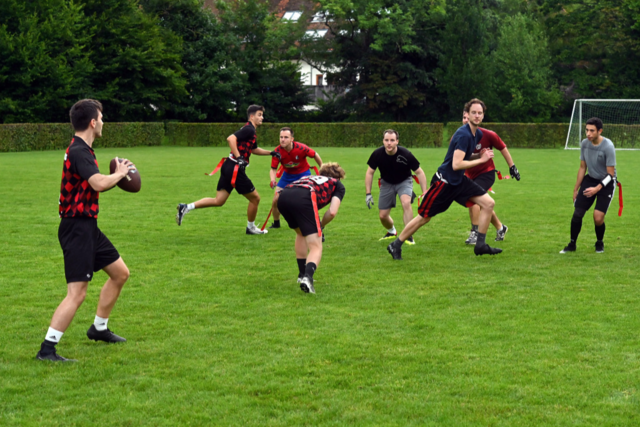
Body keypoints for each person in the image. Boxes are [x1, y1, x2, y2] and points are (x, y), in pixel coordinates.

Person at [37, 99, 133, 362]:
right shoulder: (79, 151)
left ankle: (99, 329)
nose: (103, 122)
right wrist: (121, 173)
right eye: (101, 118)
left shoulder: (83, 149)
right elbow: (98, 183)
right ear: (92, 122)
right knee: (77, 293)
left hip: (88, 226)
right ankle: (47, 350)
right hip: (76, 228)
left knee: (120, 274)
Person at [387, 99, 503, 260]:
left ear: (483, 115)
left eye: (480, 113)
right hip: (444, 183)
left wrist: (479, 155)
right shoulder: (463, 134)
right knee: (424, 217)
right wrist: (482, 160)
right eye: (473, 113)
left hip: (459, 181)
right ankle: (396, 244)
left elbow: (464, 156)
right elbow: (456, 164)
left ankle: (481, 245)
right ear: (467, 114)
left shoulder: (478, 134)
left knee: (488, 203)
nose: (477, 116)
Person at [176, 105, 281, 234]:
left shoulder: (251, 130)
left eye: (262, 115)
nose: (262, 117)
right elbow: (231, 138)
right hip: (234, 169)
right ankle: (251, 228)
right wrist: (239, 157)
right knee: (255, 199)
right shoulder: (249, 129)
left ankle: (186, 207)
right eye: (259, 115)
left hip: (228, 166)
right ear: (252, 116)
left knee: (219, 200)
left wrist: (271, 153)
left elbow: (253, 149)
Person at [277, 162, 346, 294]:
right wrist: (321, 225)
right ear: (337, 177)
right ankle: (308, 278)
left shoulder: (308, 177)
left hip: (284, 196)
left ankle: (301, 274)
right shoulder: (337, 184)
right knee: (316, 245)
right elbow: (332, 212)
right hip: (304, 197)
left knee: (301, 233)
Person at [458, 111, 521, 245]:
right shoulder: (459, 136)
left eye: (468, 117)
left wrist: (512, 166)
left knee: (473, 197)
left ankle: (475, 233)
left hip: (486, 173)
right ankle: (500, 227)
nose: (466, 120)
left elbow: (502, 147)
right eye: (464, 117)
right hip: (469, 175)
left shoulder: (487, 134)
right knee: (483, 203)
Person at [560, 117, 616, 254]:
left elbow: (610, 174)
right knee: (577, 213)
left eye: (592, 131)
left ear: (600, 131)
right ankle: (572, 244)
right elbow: (582, 167)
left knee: (598, 218)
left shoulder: (608, 146)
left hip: (606, 182)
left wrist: (597, 189)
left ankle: (599, 243)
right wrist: (575, 189)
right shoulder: (585, 144)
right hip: (590, 179)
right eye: (587, 130)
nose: (588, 134)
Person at [365, 129, 427, 244]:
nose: (389, 143)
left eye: (392, 140)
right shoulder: (377, 154)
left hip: (404, 181)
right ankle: (391, 231)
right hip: (386, 183)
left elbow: (420, 172)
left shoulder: (406, 154)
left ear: (397, 141)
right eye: (386, 140)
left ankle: (408, 236)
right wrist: (368, 193)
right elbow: (370, 173)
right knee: (383, 216)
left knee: (406, 202)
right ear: (383, 141)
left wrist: (425, 193)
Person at [267, 127, 322, 229]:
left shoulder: (301, 148)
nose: (283, 140)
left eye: (286, 137)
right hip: (287, 176)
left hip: (303, 175)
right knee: (275, 200)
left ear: (292, 139)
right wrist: (272, 180)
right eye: (281, 137)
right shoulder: (277, 152)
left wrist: (322, 167)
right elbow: (273, 169)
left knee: (305, 200)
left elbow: (315, 154)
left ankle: (313, 222)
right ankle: (276, 223)